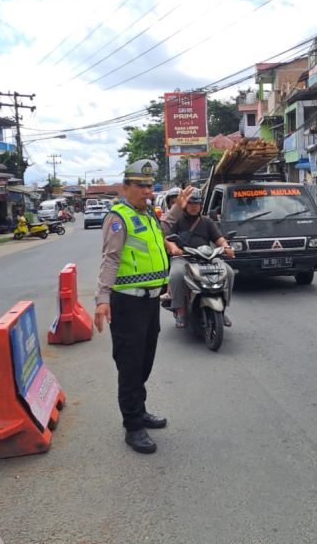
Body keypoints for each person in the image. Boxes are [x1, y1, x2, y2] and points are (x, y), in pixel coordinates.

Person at [94, 159, 181, 454]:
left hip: (150, 301)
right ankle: (133, 426)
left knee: (144, 361)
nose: (147, 190)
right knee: (130, 366)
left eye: (150, 185)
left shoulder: (148, 215)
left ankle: (138, 410)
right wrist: (102, 299)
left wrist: (178, 207)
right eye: (141, 185)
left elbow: (163, 230)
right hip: (127, 302)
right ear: (125, 187)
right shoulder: (118, 218)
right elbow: (110, 259)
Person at [163, 187, 235, 328]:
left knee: (229, 272)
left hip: (206, 256)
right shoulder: (178, 220)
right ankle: (181, 311)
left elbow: (218, 238)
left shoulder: (207, 221)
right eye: (191, 203)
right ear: (185, 204)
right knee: (176, 274)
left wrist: (226, 247)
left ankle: (223, 307)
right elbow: (166, 237)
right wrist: (173, 247)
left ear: (201, 205)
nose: (194, 206)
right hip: (183, 257)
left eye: (197, 203)